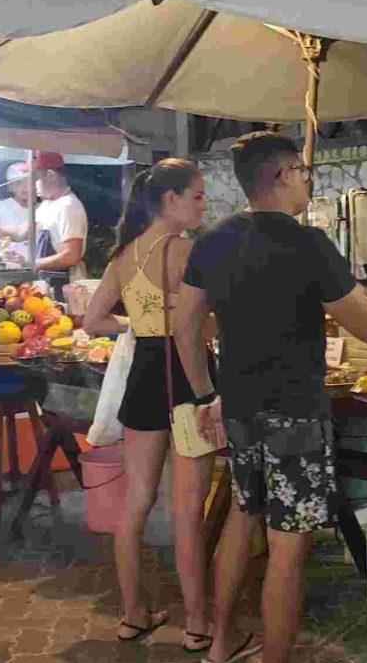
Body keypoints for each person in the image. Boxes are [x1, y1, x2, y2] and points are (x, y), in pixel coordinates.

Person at [173, 132, 367, 663]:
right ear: (284, 174)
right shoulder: (308, 243)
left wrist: (206, 394)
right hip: (295, 412)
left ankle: (220, 644)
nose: (307, 184)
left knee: (241, 519)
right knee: (288, 546)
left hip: (239, 406)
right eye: (304, 174)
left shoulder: (215, 238)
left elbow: (185, 325)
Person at [82, 158, 218, 653]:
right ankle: (197, 623)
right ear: (171, 201)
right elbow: (205, 327)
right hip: (188, 380)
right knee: (187, 511)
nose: (204, 204)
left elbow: (92, 322)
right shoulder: (189, 252)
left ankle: (132, 614)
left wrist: (137, 325)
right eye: (198, 196)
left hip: (142, 377)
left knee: (135, 503)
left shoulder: (124, 256)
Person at [0, 151, 87, 294]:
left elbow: (71, 256)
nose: (31, 186)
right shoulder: (47, 205)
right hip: (44, 284)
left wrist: (30, 264)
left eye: (34, 179)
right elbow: (20, 233)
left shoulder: (68, 206)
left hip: (64, 289)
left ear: (51, 176)